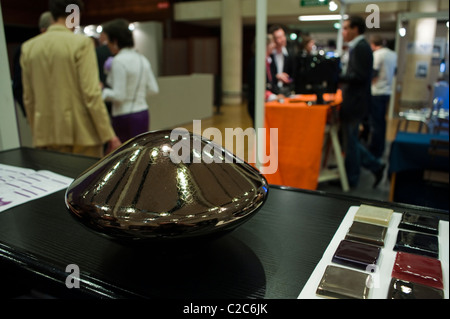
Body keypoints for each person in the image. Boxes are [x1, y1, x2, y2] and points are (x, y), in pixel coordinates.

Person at [20, 0, 121, 158]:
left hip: (46, 134)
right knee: (86, 182)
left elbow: (28, 98)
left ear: (52, 15)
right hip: (81, 133)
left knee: (53, 181)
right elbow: (91, 93)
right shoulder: (81, 43)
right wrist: (109, 135)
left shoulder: (29, 47)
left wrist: (37, 133)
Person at [339, 16, 385, 188]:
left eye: (345, 28)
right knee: (351, 142)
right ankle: (374, 166)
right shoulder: (358, 47)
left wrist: (338, 77)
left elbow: (359, 76)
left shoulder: (360, 47)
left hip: (355, 102)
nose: (343, 32)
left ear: (355, 29)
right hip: (355, 101)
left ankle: (352, 179)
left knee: (351, 143)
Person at [101, 19, 159, 143]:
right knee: (140, 152)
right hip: (143, 113)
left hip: (124, 116)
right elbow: (154, 89)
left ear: (115, 40)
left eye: (108, 40)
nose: (107, 44)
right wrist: (137, 96)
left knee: (125, 157)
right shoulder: (142, 58)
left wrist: (103, 92)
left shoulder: (119, 61)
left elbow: (119, 96)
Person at [13, 11, 54, 117]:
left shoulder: (62, 49)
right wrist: (31, 115)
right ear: (43, 30)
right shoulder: (26, 50)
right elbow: (19, 85)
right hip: (41, 113)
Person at [369, 35, 397, 159]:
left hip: (377, 91)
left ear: (373, 44)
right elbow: (395, 72)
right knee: (382, 122)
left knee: (376, 124)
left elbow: (374, 73)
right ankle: (381, 147)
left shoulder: (377, 55)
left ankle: (376, 150)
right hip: (387, 90)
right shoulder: (393, 54)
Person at [247, 34, 285, 126]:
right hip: (256, 104)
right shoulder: (255, 62)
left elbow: (270, 83)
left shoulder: (269, 61)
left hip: (267, 104)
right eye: (272, 43)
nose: (274, 45)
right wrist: (273, 97)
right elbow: (257, 86)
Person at [268, 24, 296, 96]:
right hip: (272, 92)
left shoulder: (290, 54)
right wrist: (276, 76)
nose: (283, 39)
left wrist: (288, 79)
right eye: (279, 37)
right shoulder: (269, 55)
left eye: (283, 36)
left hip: (286, 92)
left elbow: (294, 75)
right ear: (273, 40)